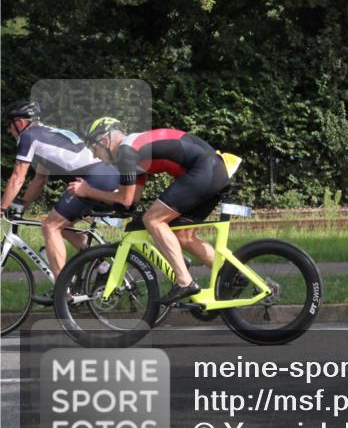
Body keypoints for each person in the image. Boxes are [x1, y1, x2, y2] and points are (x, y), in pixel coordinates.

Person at [72, 117, 231, 305]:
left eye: (94, 148)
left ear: (105, 140)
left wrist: (87, 191)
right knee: (183, 235)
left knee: (153, 220)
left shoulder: (126, 151)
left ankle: (184, 281)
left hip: (203, 170)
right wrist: (103, 203)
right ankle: (233, 274)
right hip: (212, 169)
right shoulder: (134, 153)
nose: (95, 155)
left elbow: (125, 198)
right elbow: (132, 199)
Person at [0, 100, 120, 289]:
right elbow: (39, 179)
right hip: (104, 175)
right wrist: (21, 206)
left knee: (50, 226)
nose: (9, 131)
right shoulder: (46, 135)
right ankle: (103, 268)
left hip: (94, 178)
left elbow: (17, 177)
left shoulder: (28, 136)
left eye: (9, 125)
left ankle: (62, 291)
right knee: (62, 227)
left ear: (20, 123)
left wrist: (2, 208)